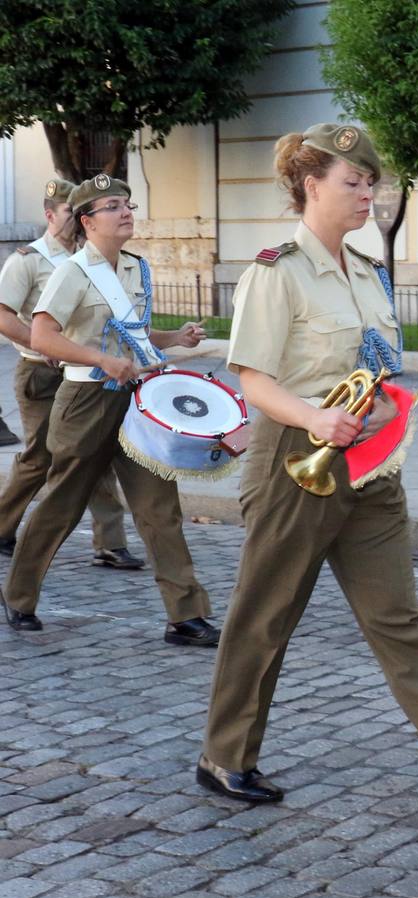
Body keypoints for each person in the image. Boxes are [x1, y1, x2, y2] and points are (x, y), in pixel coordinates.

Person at [197, 124, 418, 813]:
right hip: (296, 460)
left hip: (368, 466)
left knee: (398, 617)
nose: (366, 192)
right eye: (352, 181)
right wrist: (315, 417)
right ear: (311, 185)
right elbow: (252, 377)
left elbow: (376, 367)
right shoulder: (275, 269)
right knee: (266, 616)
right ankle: (225, 757)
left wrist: (380, 407)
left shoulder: (367, 271)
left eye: (370, 180)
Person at [1, 174, 216, 645]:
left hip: (137, 399)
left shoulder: (136, 267)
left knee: (160, 508)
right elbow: (42, 336)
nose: (126, 213)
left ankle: (185, 615)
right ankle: (18, 595)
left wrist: (174, 338)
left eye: (128, 204)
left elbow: (132, 333)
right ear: (87, 220)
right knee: (62, 504)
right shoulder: (71, 272)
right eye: (113, 206)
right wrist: (101, 360)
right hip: (86, 401)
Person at [0, 176, 143, 570]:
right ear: (52, 215)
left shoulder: (93, 258)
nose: (73, 219)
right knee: (39, 460)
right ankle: (3, 526)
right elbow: (3, 315)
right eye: (68, 212)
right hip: (40, 372)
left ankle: (110, 542)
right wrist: (43, 344)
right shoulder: (28, 260)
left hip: (85, 373)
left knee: (94, 459)